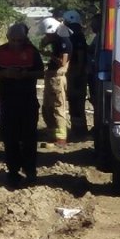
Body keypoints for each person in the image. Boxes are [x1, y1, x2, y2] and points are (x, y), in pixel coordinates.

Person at [0, 23, 44, 188]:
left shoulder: (32, 52)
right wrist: (5, 73)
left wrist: (26, 74)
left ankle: (30, 171)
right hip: (8, 102)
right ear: (8, 38)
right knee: (10, 138)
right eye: (14, 40)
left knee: (29, 138)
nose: (17, 44)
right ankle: (13, 171)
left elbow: (41, 72)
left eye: (20, 40)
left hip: (28, 102)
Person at [39, 16, 72, 146]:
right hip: (52, 77)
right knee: (47, 107)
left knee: (58, 107)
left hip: (57, 78)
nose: (47, 36)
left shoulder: (64, 42)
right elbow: (45, 42)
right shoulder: (57, 40)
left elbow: (62, 62)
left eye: (48, 34)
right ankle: (52, 132)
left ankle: (61, 138)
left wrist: (50, 55)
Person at [62, 10, 88, 138]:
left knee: (76, 101)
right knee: (74, 101)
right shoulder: (77, 35)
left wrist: (77, 73)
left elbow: (80, 55)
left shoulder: (76, 36)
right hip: (75, 72)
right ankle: (77, 128)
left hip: (76, 73)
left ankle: (80, 130)